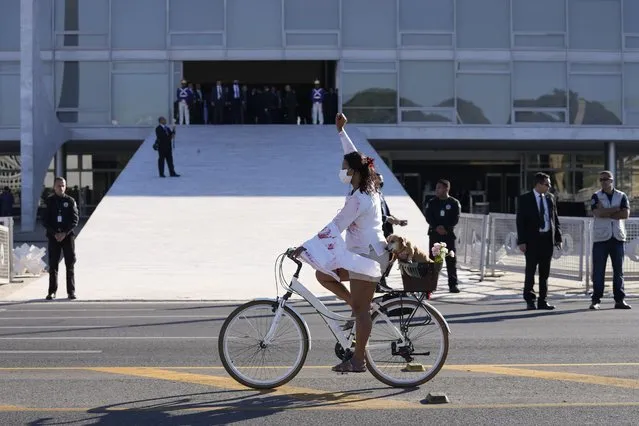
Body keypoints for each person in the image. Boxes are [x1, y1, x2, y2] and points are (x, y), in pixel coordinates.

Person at [293, 113, 389, 373]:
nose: (342, 171)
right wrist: (341, 132)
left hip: (367, 257)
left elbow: (335, 226)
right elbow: (356, 155)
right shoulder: (366, 188)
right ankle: (358, 305)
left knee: (360, 312)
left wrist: (305, 248)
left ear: (355, 171)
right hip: (362, 254)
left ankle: (358, 361)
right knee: (323, 275)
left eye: (345, 167)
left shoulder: (359, 199)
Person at [516, 172, 562, 310]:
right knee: (530, 271)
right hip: (531, 240)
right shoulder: (525, 199)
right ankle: (530, 299)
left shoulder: (550, 198)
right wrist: (522, 241)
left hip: (547, 239)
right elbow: (520, 221)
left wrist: (558, 238)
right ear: (538, 184)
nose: (549, 187)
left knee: (545, 272)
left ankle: (543, 300)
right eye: (547, 184)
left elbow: (555, 218)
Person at [589, 170, 632, 310]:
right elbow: (597, 213)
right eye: (601, 179)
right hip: (601, 238)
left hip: (617, 237)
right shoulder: (596, 196)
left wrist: (606, 211)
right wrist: (615, 209)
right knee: (598, 270)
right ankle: (596, 300)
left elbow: (625, 214)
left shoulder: (621, 195)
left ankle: (619, 299)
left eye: (606, 179)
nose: (604, 182)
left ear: (612, 180)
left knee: (618, 270)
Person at [43, 177, 79, 300]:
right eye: (58, 185)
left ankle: (71, 292)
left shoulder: (70, 201)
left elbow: (75, 220)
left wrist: (64, 233)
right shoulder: (49, 201)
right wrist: (55, 234)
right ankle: (52, 291)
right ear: (54, 187)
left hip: (67, 237)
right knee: (53, 265)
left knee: (70, 264)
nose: (61, 187)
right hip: (54, 237)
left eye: (63, 185)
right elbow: (44, 220)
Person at [424, 179, 461, 293]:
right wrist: (436, 227)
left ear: (446, 189)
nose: (437, 190)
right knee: (434, 260)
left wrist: (446, 229)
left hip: (448, 236)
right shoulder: (432, 202)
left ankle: (453, 285)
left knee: (451, 260)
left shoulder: (454, 203)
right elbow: (428, 216)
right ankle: (430, 285)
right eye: (436, 188)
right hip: (435, 235)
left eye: (439, 188)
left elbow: (456, 218)